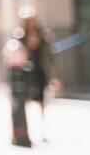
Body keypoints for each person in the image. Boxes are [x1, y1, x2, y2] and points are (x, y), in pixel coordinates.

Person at [20, 8, 60, 142]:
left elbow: (50, 56)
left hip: (40, 70)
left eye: (33, 20)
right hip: (26, 72)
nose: (32, 23)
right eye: (29, 21)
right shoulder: (21, 36)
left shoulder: (43, 35)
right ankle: (26, 130)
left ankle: (42, 129)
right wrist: (29, 46)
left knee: (42, 101)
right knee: (26, 101)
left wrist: (55, 75)